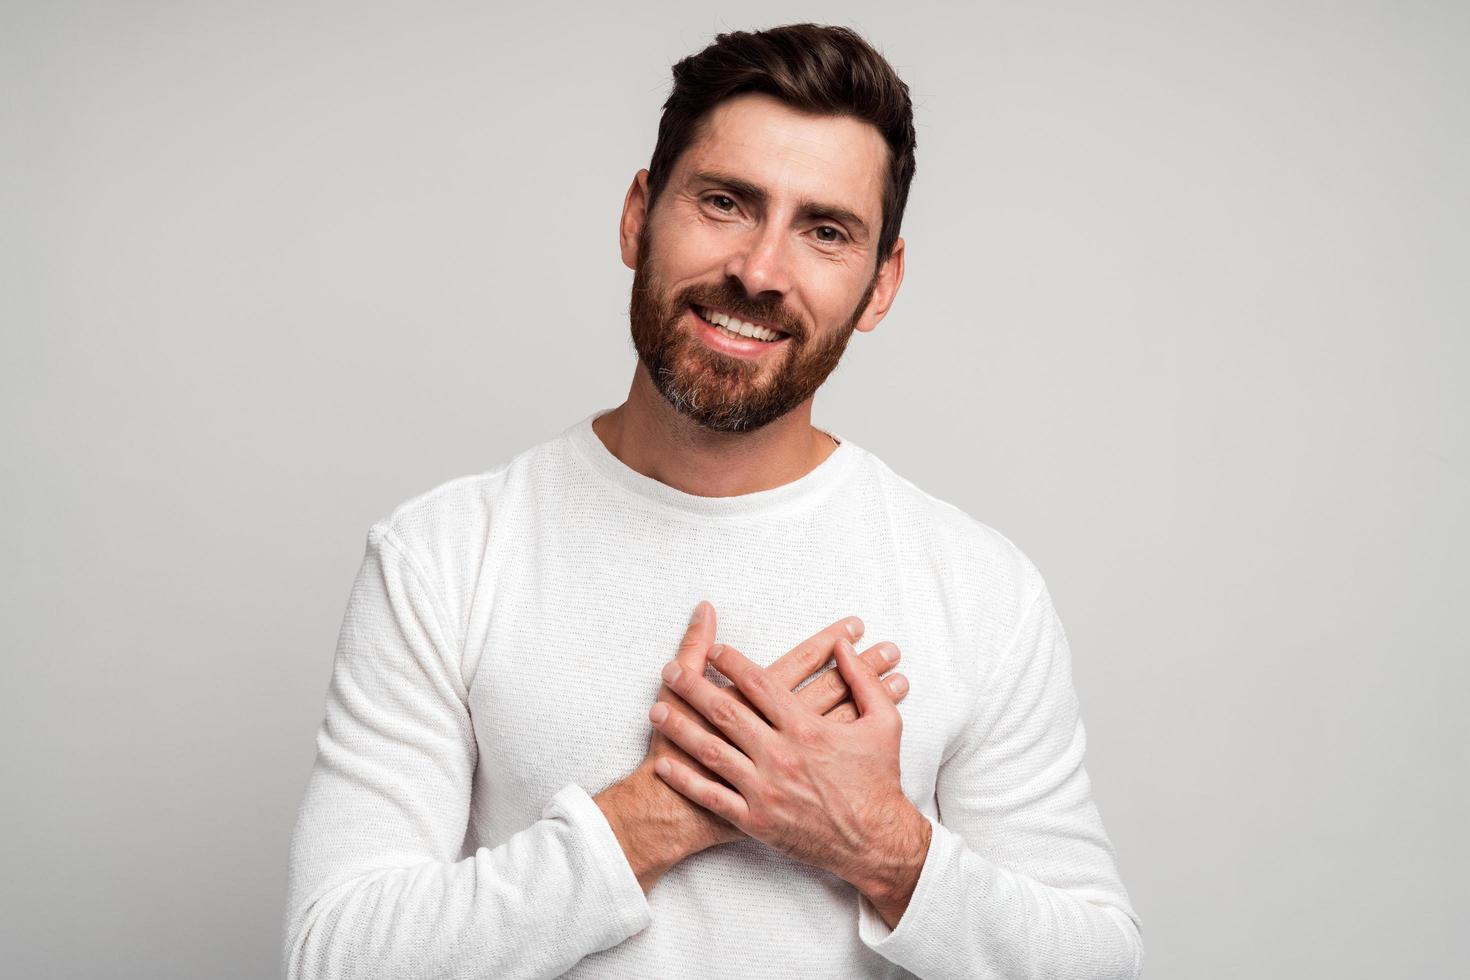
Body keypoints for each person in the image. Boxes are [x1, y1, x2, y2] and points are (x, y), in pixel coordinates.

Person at [283, 22, 1143, 980]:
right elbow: (338, 958)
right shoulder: (442, 556)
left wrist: (875, 841)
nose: (760, 271)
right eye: (727, 203)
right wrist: (661, 813)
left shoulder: (979, 588)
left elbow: (1097, 963)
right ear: (637, 216)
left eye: (825, 231)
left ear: (880, 283)